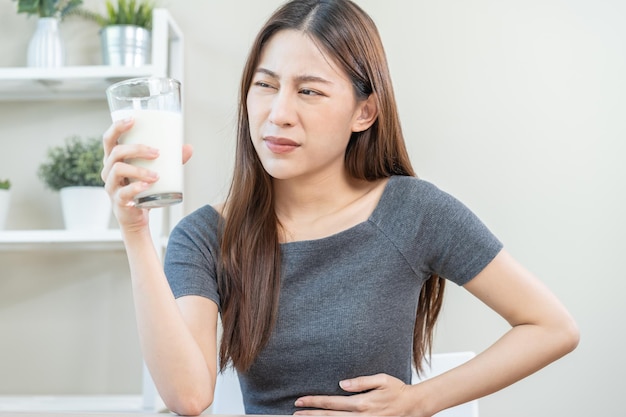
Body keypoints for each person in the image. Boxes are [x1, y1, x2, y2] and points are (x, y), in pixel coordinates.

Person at [101, 0, 579, 415]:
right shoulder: (204, 236)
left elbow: (552, 326)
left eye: (309, 91)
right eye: (266, 85)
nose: (278, 112)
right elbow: (188, 396)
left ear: (363, 112)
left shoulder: (413, 211)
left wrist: (420, 401)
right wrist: (135, 230)